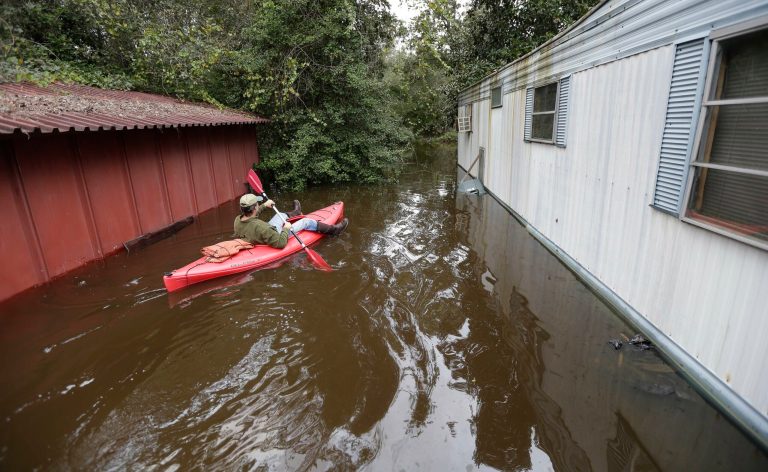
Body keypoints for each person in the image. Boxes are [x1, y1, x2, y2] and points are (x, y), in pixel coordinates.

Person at [234, 194, 348, 249]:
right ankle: (334, 231)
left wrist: (264, 205)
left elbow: (252, 218)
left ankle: (296, 212)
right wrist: (286, 228)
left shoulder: (238, 220)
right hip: (275, 235)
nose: (258, 205)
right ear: (254, 208)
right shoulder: (261, 227)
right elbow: (280, 243)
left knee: (280, 215)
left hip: (258, 233)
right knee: (306, 222)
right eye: (258, 204)